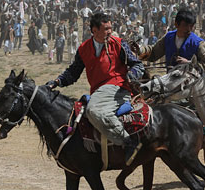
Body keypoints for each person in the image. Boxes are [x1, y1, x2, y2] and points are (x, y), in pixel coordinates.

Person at [46, 13, 145, 164]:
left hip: (118, 87)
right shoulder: (83, 49)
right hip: (99, 92)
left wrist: (132, 74)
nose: (110, 32)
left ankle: (127, 141)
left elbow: (137, 64)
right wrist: (57, 81)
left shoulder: (119, 44)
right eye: (106, 29)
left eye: (110, 28)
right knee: (88, 112)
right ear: (94, 30)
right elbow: (73, 73)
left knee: (92, 110)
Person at [140, 8, 205, 74]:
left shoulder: (198, 43)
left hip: (191, 85)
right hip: (170, 82)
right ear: (176, 24)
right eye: (185, 25)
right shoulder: (168, 38)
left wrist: (190, 64)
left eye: (191, 26)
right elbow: (154, 53)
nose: (189, 29)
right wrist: (139, 50)